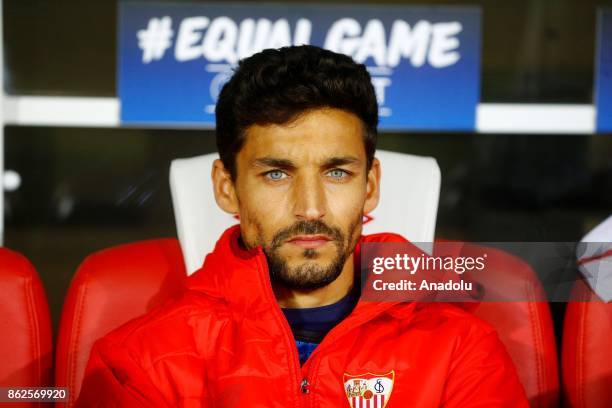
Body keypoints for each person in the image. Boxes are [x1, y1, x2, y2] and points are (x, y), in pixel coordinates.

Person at [76, 45, 528, 407]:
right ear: (227, 187)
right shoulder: (141, 361)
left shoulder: (460, 351)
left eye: (337, 172)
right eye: (276, 173)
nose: (310, 208)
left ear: (370, 186)